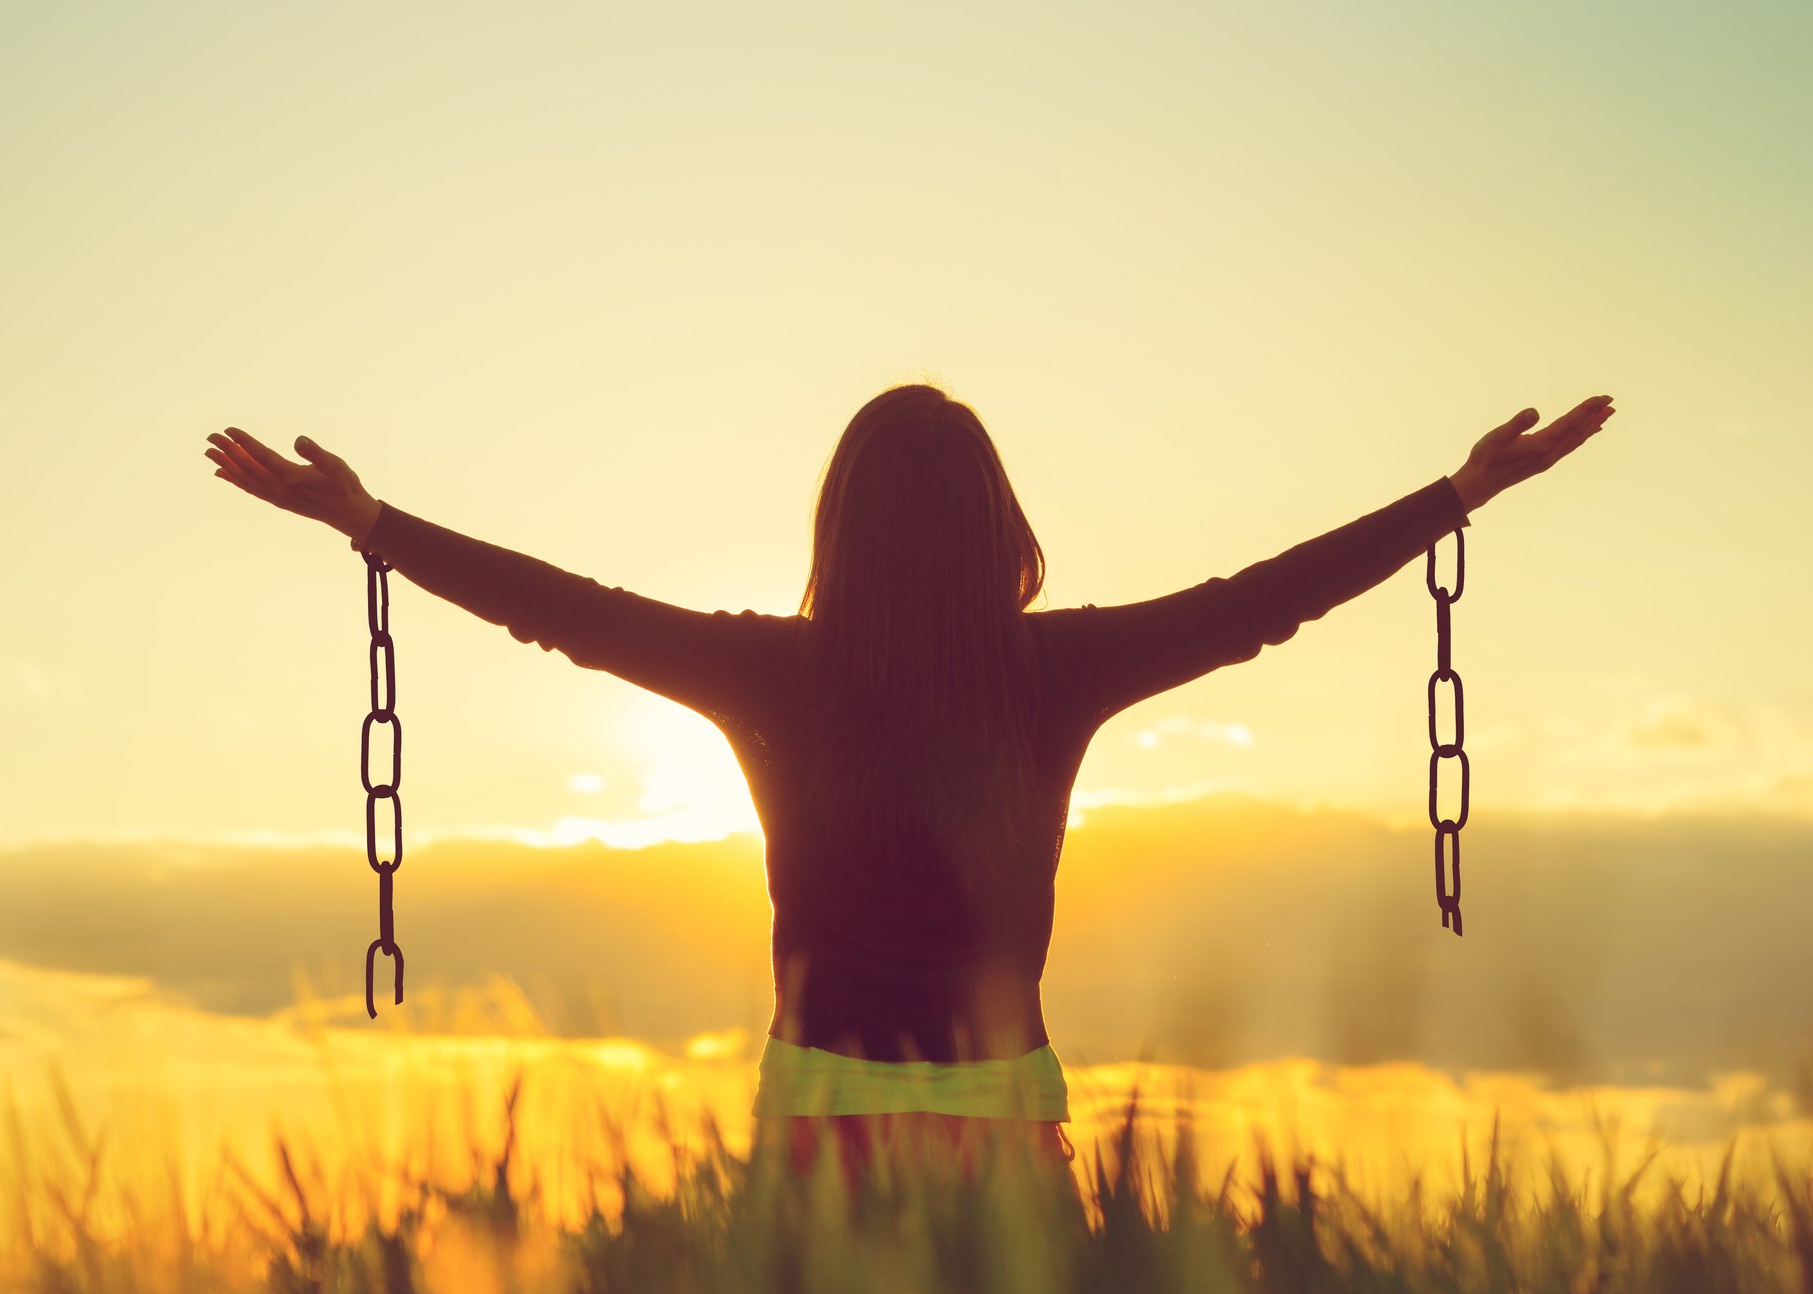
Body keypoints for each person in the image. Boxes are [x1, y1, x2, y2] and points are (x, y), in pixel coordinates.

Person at [201, 384, 1615, 1202]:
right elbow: (1263, 603)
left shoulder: (767, 674)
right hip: (1002, 1133)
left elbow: (563, 611)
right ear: (1000, 530)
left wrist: (374, 526)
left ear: (838, 528)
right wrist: (1456, 494)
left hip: (814, 1135)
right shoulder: (1055, 672)